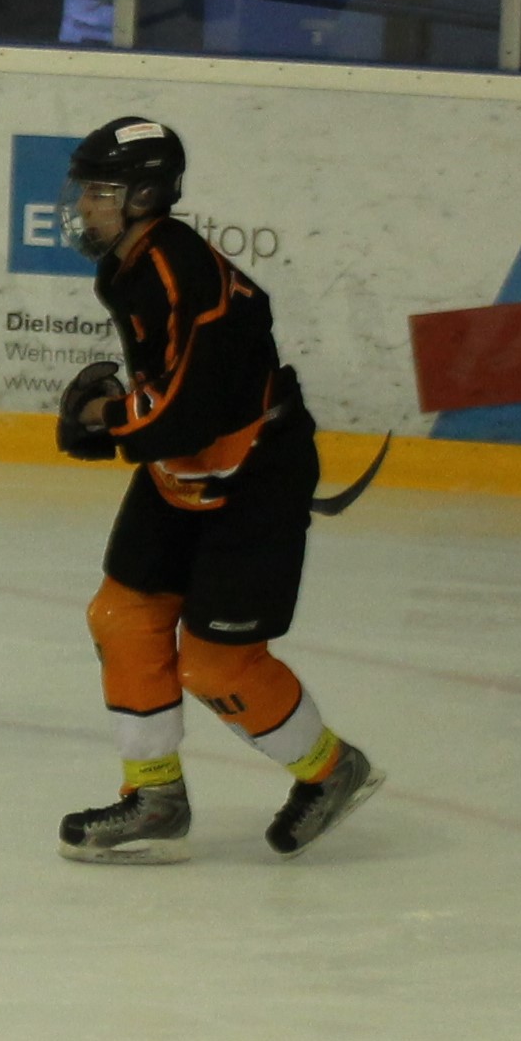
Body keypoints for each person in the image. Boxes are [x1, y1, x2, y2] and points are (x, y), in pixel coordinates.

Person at [52, 115, 383, 862]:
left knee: (216, 664)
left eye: (99, 192)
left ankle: (331, 769)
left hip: (256, 474)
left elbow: (184, 410)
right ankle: (154, 795)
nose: (83, 207)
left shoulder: (182, 271)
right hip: (187, 470)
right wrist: (123, 421)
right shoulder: (127, 267)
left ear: (143, 196)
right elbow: (171, 399)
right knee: (122, 616)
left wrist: (106, 419)